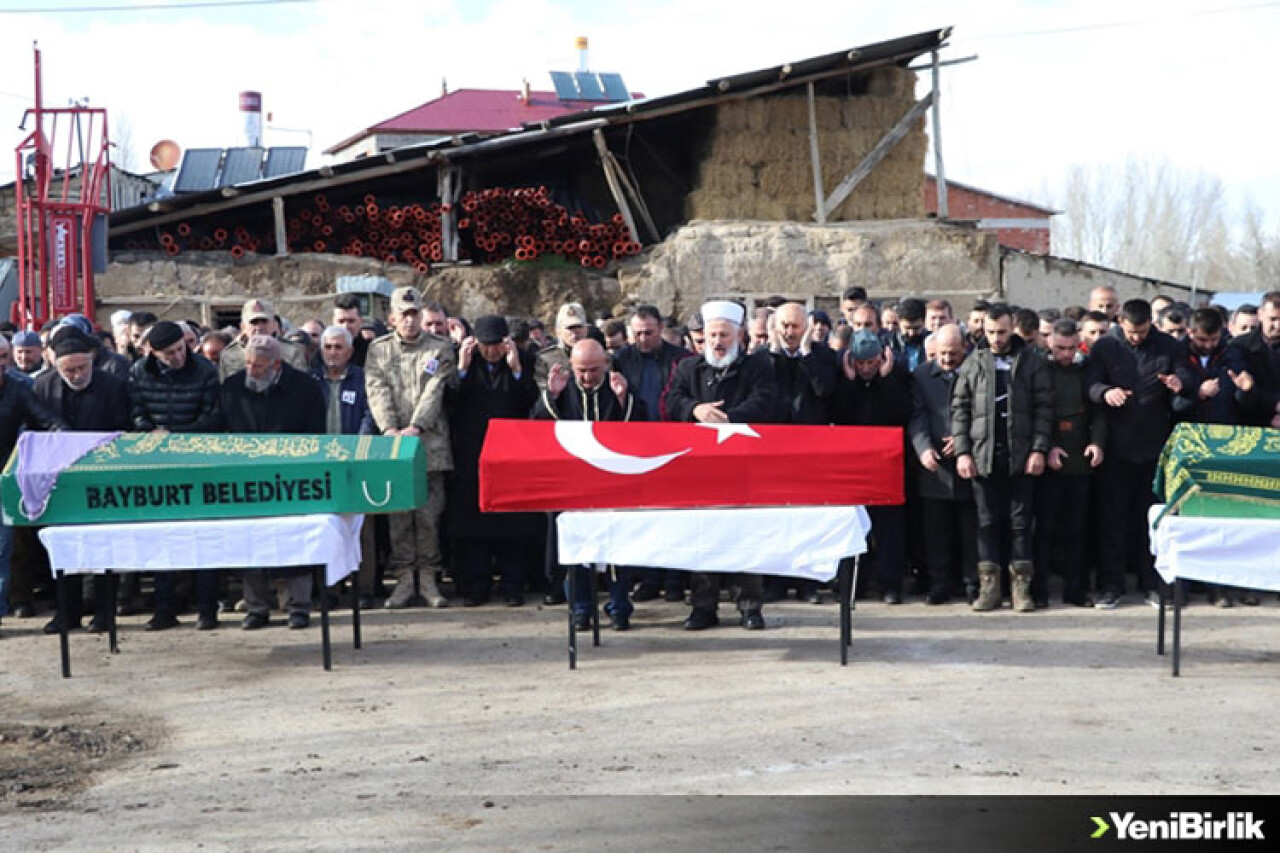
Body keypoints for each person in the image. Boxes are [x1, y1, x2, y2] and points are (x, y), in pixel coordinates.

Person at [665, 300, 779, 631]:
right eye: (712, 335)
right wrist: (695, 410)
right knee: (704, 537)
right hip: (701, 469)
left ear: (739, 336)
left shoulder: (757, 366)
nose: (717, 342)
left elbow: (767, 401)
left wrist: (729, 421)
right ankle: (703, 607)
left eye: (724, 336)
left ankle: (749, 606)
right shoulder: (689, 368)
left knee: (745, 536)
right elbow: (671, 401)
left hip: (744, 465)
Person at [533, 339, 643, 630]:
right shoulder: (562, 390)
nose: (587, 377)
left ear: (606, 365)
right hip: (572, 485)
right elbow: (538, 428)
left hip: (612, 484)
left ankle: (619, 607)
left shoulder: (618, 388)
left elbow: (640, 431)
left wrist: (623, 401)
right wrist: (551, 397)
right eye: (581, 370)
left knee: (617, 550)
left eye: (594, 370)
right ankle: (581, 608)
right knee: (577, 552)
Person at [951, 304, 1052, 613]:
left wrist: (1039, 449)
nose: (996, 338)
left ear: (1013, 329)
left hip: (1021, 454)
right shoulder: (973, 362)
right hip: (983, 455)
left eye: (1002, 332)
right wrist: (963, 451)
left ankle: (1021, 590)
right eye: (991, 332)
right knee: (986, 523)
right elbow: (960, 408)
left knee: (1021, 524)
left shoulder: (1031, 362)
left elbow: (1044, 408)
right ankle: (989, 589)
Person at [221, 335, 325, 629]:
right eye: (249, 364)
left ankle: (299, 607)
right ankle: (256, 607)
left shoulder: (304, 389)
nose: (251, 371)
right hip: (248, 480)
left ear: (277, 365)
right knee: (252, 542)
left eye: (259, 366)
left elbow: (316, 435)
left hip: (293, 479)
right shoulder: (232, 388)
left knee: (296, 542)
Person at [1086, 298, 1183, 609]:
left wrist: (1180, 383)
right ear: (1121, 324)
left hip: (1155, 447)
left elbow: (1187, 379)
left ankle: (1152, 583)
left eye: (1142, 332)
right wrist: (1105, 392)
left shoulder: (1167, 346)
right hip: (1115, 447)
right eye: (1131, 332)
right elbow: (1089, 384)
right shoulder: (1105, 347)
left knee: (1152, 521)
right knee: (1112, 521)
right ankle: (1110, 585)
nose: (1136, 337)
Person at [364, 286, 456, 610]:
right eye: (403, 314)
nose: (409, 319)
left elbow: (435, 389)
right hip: (393, 445)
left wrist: (416, 427)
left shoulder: (440, 348)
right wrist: (390, 429)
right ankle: (404, 578)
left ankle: (429, 578)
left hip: (429, 444)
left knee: (429, 515)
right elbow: (376, 390)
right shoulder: (377, 350)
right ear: (392, 317)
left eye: (414, 313)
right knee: (399, 515)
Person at [35, 328, 131, 634]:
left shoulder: (113, 386)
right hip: (59, 479)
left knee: (102, 548)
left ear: (92, 361)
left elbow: (122, 429)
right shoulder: (42, 386)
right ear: (56, 366)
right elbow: (36, 427)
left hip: (101, 477)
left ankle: (104, 613)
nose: (77, 375)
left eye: (82, 368)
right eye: (69, 370)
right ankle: (68, 612)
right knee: (63, 548)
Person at [130, 320, 223, 630]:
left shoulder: (205, 371)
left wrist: (175, 434)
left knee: (203, 537)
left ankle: (207, 608)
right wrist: (148, 430)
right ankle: (164, 608)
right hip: (157, 463)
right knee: (162, 538)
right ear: (153, 352)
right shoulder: (139, 372)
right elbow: (136, 411)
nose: (178, 356)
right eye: (169, 353)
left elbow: (211, 417)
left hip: (198, 460)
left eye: (181, 349)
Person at [447, 315, 539, 606]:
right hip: (472, 454)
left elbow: (531, 403)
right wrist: (461, 368)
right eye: (486, 346)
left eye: (496, 345)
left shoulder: (523, 361)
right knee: (475, 526)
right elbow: (449, 402)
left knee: (511, 523)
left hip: (510, 454)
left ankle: (513, 585)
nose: (491, 352)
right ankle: (478, 586)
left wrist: (516, 370)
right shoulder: (464, 362)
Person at [611, 305, 694, 603]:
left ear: (660, 329)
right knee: (643, 518)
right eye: (637, 333)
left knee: (674, 516)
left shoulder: (682, 360)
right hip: (636, 446)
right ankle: (648, 578)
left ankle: (673, 579)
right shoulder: (620, 359)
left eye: (648, 332)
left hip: (673, 444)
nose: (643, 339)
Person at [763, 302, 839, 603]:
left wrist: (807, 354)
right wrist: (772, 352)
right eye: (783, 326)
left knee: (807, 519)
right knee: (776, 519)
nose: (789, 333)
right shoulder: (763, 357)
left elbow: (824, 390)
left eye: (795, 327)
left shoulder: (822, 355)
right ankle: (775, 583)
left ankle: (807, 584)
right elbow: (766, 394)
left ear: (806, 327)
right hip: (774, 449)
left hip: (810, 448)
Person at [834, 329, 912, 603]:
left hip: (887, 464)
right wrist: (850, 382)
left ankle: (890, 584)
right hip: (854, 465)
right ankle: (855, 582)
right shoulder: (845, 378)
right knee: (855, 526)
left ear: (883, 358)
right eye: (861, 363)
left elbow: (901, 413)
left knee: (889, 527)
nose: (866, 369)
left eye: (871, 363)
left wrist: (887, 379)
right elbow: (840, 415)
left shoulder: (897, 376)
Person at [1034, 320, 1106, 609]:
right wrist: (1047, 446)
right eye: (1060, 349)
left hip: (1080, 456)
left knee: (1077, 529)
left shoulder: (1087, 369)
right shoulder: (1040, 370)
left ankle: (1076, 589)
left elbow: (1098, 411)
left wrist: (1097, 442)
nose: (1066, 355)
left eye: (1071, 348)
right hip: (1049, 457)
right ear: (1050, 344)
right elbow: (1035, 411)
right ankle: (1038, 590)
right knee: (1044, 529)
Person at [909, 324, 977, 605]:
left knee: (971, 531)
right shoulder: (922, 376)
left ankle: (972, 583)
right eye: (942, 354)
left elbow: (982, 413)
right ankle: (940, 584)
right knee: (936, 533)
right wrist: (923, 448)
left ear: (964, 349)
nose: (947, 359)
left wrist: (964, 442)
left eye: (953, 353)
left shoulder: (976, 371)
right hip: (935, 467)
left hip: (969, 462)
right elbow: (917, 416)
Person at [0, 339, 62, 633]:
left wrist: (68, 439)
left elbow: (45, 420)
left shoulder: (16, 390)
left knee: (6, 547)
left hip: (5, 476)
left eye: (2, 357)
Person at [216, 298, 308, 382]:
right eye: (254, 322)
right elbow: (226, 392)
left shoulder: (292, 352)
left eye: (264, 321)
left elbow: (301, 387)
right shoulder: (229, 354)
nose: (260, 327)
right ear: (243, 327)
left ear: (274, 325)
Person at [1228, 290, 1280, 429]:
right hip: (1249, 425)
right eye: (1273, 319)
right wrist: (1274, 405)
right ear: (1260, 315)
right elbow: (1241, 388)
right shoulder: (1239, 346)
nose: (1278, 326)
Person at [534, 302, 589, 391]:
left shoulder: (599, 355)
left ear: (586, 329)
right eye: (570, 328)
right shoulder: (546, 359)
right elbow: (542, 394)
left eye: (579, 326)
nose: (575, 332)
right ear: (558, 331)